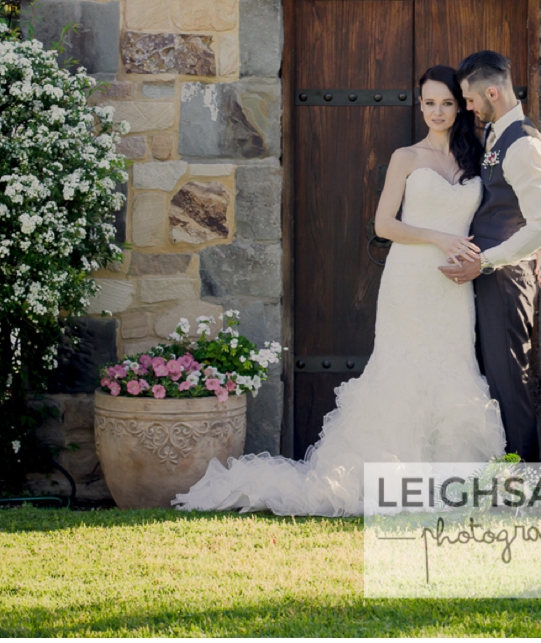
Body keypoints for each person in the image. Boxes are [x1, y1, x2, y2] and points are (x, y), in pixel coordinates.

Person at [173, 65, 505, 517]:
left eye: (446, 102)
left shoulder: (476, 157)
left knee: (452, 366)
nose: (437, 111)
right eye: (428, 103)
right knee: (401, 369)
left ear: (460, 105)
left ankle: (448, 481)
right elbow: (384, 224)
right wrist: (439, 237)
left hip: (453, 287)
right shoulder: (407, 157)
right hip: (410, 282)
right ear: (420, 105)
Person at [442, 51, 541, 462]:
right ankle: (501, 471)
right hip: (492, 273)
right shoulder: (497, 133)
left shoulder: (523, 144)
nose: (468, 108)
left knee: (511, 379)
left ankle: (524, 480)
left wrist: (487, 261)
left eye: (471, 100)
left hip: (505, 278)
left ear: (492, 92)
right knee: (494, 375)